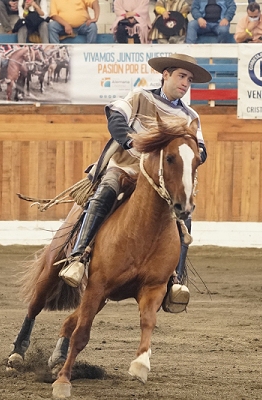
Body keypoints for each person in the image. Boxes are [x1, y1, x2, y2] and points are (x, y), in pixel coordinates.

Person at [59, 53, 211, 314]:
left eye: (189, 79)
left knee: (184, 213)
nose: (186, 83)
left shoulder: (190, 116)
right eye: (181, 76)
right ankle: (79, 257)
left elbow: (202, 151)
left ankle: (175, 279)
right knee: (106, 191)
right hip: (125, 166)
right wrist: (132, 141)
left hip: (159, 180)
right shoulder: (140, 97)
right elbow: (115, 116)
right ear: (165, 74)